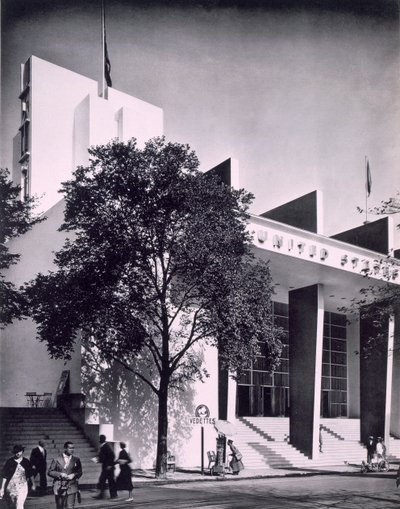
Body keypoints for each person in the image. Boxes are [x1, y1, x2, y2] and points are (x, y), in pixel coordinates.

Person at [47, 441, 82, 509]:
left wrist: (74, 475)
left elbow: (80, 472)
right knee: (60, 507)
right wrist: (60, 474)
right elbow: (50, 472)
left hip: (72, 486)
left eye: (73, 448)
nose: (72, 450)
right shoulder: (56, 459)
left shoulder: (76, 460)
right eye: (70, 448)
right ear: (65, 448)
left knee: (70, 507)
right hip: (59, 486)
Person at [0, 444, 36, 509]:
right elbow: (5, 475)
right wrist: (2, 488)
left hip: (22, 486)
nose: (18, 453)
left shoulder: (26, 462)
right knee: (12, 506)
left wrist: (33, 484)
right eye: (16, 452)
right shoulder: (10, 462)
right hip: (11, 487)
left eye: (19, 451)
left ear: (22, 451)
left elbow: (31, 474)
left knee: (19, 504)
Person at [93, 435, 118, 500]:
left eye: (100, 439)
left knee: (109, 481)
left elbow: (112, 455)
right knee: (103, 480)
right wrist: (98, 460)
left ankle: (112, 495)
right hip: (106, 467)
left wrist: (109, 465)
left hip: (109, 467)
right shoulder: (104, 446)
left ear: (101, 440)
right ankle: (102, 495)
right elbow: (104, 457)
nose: (99, 440)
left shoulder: (106, 446)